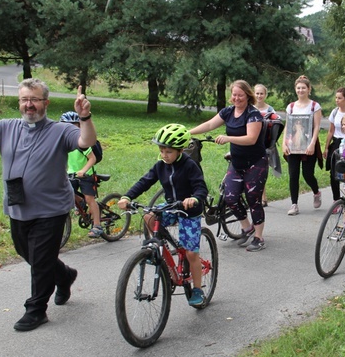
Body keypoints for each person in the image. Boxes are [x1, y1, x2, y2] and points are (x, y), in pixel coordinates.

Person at [0, 77, 97, 331]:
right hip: (17, 207)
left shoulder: (59, 130)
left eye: (34, 99)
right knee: (30, 254)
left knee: (40, 260)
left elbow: (86, 141)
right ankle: (64, 275)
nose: (29, 105)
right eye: (24, 100)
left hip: (51, 209)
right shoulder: (7, 127)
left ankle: (36, 309)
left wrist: (85, 117)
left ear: (45, 102)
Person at [118, 124, 209, 306]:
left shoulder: (190, 166)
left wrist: (194, 199)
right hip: (170, 205)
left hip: (188, 211)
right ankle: (162, 248)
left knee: (191, 253)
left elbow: (201, 188)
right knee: (149, 216)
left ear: (180, 150)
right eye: (161, 150)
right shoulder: (160, 166)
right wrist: (127, 196)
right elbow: (145, 181)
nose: (164, 155)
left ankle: (198, 290)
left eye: (168, 151)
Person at [190, 80, 268, 251]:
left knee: (253, 199)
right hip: (237, 163)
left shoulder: (253, 114)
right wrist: (187, 132)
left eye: (240, 95)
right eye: (234, 94)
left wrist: (228, 138)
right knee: (230, 198)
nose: (236, 98)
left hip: (256, 163)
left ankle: (259, 237)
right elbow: (210, 124)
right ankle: (247, 228)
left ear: (248, 96)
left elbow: (251, 138)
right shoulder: (228, 112)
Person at [282, 75, 323, 216]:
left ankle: (316, 191)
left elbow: (317, 127)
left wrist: (312, 144)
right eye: (298, 88)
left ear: (309, 89)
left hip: (308, 144)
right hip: (293, 144)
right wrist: (284, 144)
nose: (301, 90)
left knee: (307, 174)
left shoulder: (314, 106)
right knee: (293, 174)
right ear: (295, 89)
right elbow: (288, 126)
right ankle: (294, 204)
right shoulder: (291, 107)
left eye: (303, 88)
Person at [60, 111, 102, 237]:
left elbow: (92, 158)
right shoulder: (64, 143)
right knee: (66, 192)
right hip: (71, 174)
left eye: (75, 125)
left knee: (90, 198)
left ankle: (97, 225)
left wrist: (83, 171)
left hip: (86, 174)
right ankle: (81, 204)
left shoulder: (82, 143)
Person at [254, 84, 274, 206]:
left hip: (264, 144)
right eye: (257, 93)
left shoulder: (270, 109)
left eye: (261, 93)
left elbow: (275, 126)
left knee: (261, 171)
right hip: (251, 143)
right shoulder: (249, 108)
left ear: (265, 95)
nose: (259, 96)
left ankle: (263, 197)